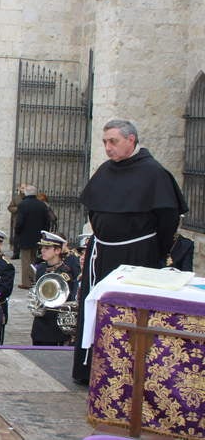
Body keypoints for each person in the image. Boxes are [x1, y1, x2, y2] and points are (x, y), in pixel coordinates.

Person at [72, 119, 187, 385]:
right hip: (101, 254)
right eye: (105, 142)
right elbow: (93, 207)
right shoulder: (105, 170)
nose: (108, 148)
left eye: (113, 141)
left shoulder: (154, 173)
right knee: (96, 310)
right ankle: (89, 369)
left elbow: (168, 218)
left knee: (128, 316)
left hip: (136, 257)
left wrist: (151, 251)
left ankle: (124, 375)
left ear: (131, 140)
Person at [30, 230, 77, 346]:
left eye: (47, 248)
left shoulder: (65, 273)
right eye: (42, 247)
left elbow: (69, 300)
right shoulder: (41, 268)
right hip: (39, 324)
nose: (42, 250)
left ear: (57, 250)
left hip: (55, 326)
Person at [15, 185, 50, 289]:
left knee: (25, 260)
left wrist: (17, 232)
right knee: (34, 259)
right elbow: (46, 221)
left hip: (25, 236)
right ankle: (33, 278)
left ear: (26, 193)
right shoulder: (42, 205)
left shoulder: (23, 205)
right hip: (38, 236)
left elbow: (20, 222)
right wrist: (44, 234)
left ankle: (26, 282)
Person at [7, 183, 26, 258]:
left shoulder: (29, 198)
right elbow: (10, 207)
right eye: (22, 188)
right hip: (18, 220)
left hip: (27, 221)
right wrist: (17, 209)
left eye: (25, 188)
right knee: (17, 238)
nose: (23, 189)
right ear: (19, 188)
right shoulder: (16, 198)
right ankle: (16, 253)